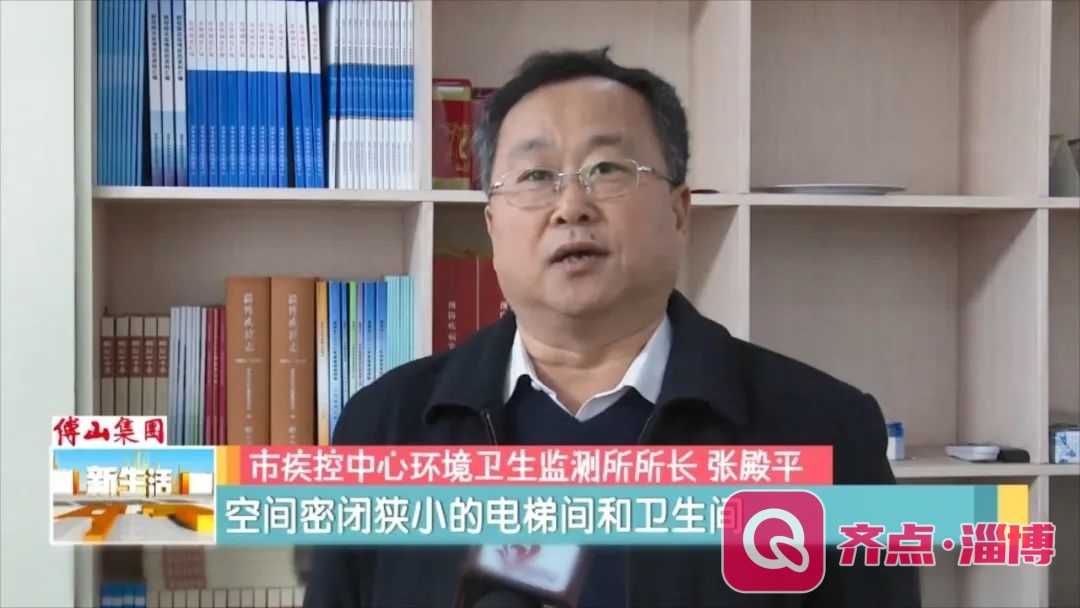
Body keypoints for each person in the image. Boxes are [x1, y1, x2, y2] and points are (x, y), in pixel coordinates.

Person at [304, 47, 922, 608]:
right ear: (492, 226)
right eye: (535, 176)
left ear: (680, 211)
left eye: (607, 169)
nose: (571, 207)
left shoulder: (826, 433)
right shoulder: (381, 429)